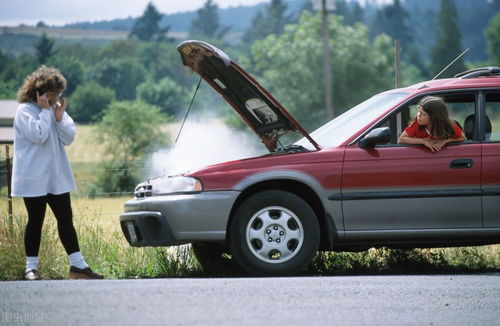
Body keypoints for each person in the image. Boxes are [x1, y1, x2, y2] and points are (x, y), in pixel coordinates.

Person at [12, 66, 103, 280]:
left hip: (56, 176)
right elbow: (39, 136)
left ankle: (78, 266)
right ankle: (30, 269)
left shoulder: (54, 109)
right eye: (51, 94)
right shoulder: (24, 111)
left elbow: (69, 137)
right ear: (38, 92)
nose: (55, 98)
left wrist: (60, 118)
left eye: (57, 94)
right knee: (35, 221)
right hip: (34, 177)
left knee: (65, 219)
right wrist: (45, 111)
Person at [398, 96, 465, 152]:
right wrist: (423, 141)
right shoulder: (417, 124)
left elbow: (462, 138)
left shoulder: (449, 126)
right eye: (419, 112)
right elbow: (401, 139)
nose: (418, 115)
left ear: (434, 117)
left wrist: (446, 140)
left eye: (423, 114)